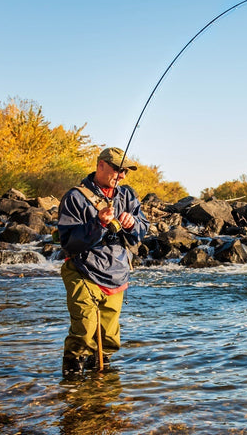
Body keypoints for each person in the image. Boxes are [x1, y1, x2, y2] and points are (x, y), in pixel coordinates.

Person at [57, 147, 149, 379]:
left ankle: (101, 389)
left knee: (108, 338)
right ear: (100, 165)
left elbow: (141, 229)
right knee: (84, 332)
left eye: (125, 171)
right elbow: (68, 242)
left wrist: (132, 224)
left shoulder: (127, 195)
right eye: (118, 169)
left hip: (116, 272)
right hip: (81, 270)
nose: (123, 175)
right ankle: (72, 386)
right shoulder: (74, 197)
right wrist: (97, 223)